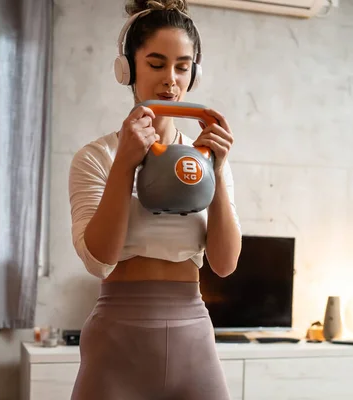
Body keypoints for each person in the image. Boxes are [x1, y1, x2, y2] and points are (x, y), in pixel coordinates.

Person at [68, 0, 242, 398]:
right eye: (157, 63)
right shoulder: (96, 158)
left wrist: (214, 168)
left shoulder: (206, 158)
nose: (170, 79)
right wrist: (125, 164)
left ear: (193, 73)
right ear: (127, 69)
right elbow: (99, 259)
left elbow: (225, 263)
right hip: (116, 344)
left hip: (193, 338)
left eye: (182, 66)